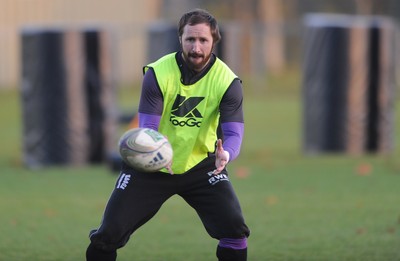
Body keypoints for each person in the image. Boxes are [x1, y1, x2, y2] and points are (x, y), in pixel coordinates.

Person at [86, 8, 250, 261]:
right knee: (107, 236)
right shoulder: (158, 73)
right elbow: (148, 127)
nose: (196, 47)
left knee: (235, 230)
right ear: (180, 39)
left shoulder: (228, 81)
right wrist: (157, 153)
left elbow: (233, 132)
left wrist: (226, 154)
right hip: (151, 164)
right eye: (190, 40)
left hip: (202, 166)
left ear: (214, 41)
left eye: (203, 40)